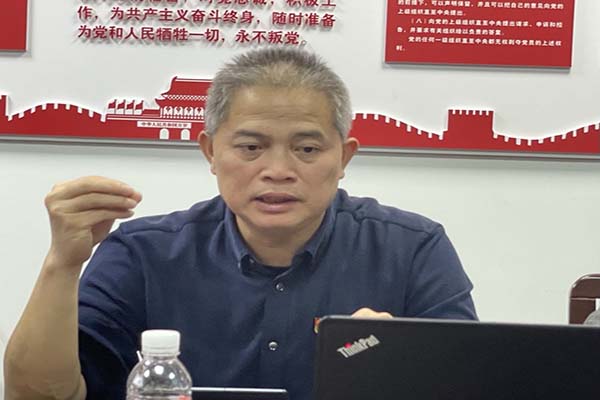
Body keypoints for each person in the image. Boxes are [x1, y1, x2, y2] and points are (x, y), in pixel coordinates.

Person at [4, 48, 477, 400]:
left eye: (307, 149)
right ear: (211, 152)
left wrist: (404, 362)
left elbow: (471, 386)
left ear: (344, 158)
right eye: (251, 147)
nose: (278, 170)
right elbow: (37, 395)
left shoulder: (412, 250)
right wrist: (61, 264)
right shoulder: (142, 254)